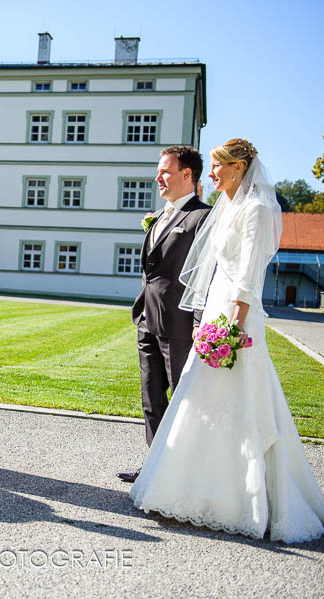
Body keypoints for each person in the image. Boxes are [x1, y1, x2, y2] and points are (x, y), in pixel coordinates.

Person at [130, 139, 324, 542]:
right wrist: (205, 317)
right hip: (214, 310)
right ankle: (191, 483)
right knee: (198, 400)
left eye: (218, 167)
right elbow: (211, 269)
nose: (212, 174)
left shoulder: (256, 210)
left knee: (239, 401)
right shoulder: (228, 208)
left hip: (235, 317)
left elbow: (249, 276)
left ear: (238, 168)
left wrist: (232, 327)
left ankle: (242, 495)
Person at [118, 146, 212, 483]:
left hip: (180, 322)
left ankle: (188, 471)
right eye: (159, 171)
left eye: (166, 172)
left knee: (184, 396)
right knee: (151, 396)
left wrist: (200, 321)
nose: (158, 177)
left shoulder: (203, 218)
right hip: (147, 319)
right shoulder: (159, 216)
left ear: (187, 175)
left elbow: (208, 273)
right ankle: (156, 467)